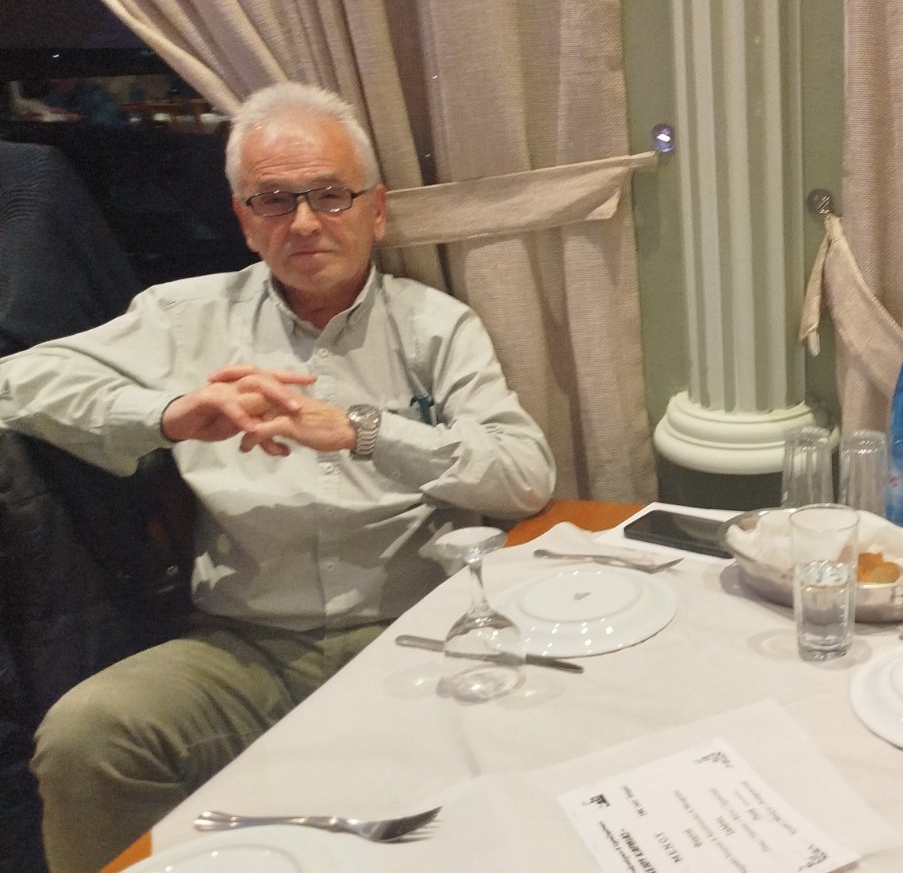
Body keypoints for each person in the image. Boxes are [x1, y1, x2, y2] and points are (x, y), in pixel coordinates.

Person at [0, 81, 557, 873]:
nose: (303, 223)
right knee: (86, 736)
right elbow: (16, 383)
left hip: (408, 634)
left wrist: (365, 430)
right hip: (244, 647)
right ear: (244, 219)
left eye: (330, 195)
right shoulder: (185, 317)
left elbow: (524, 475)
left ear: (375, 210)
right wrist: (168, 413)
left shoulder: (435, 325)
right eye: (274, 200)